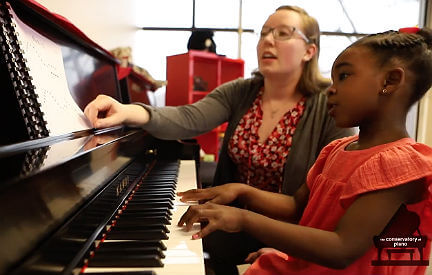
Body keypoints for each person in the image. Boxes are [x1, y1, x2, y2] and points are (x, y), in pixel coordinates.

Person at [84, 5, 352, 274]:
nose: (268, 40)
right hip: (232, 225)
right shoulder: (242, 91)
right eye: (265, 33)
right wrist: (128, 110)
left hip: (292, 236)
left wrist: (289, 253)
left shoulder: (330, 105)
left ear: (309, 51)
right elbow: (188, 117)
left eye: (283, 33)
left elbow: (327, 203)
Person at [177, 27, 432, 275]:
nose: (331, 89)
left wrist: (244, 219)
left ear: (390, 81)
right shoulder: (336, 150)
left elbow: (341, 249)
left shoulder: (398, 165)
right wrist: (242, 191)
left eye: (343, 76)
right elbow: (296, 206)